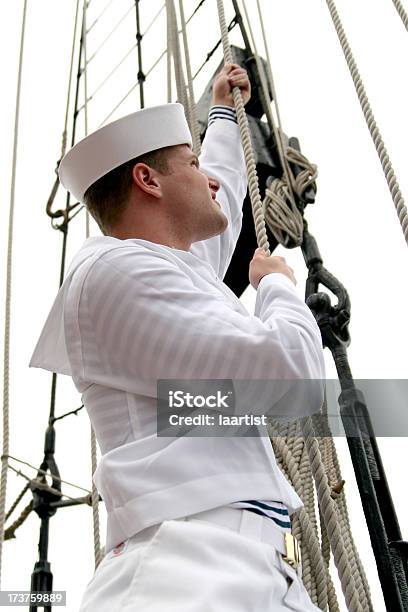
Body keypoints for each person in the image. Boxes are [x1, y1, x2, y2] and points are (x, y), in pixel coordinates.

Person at [30, 63, 325, 611]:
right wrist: (278, 289)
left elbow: (225, 187)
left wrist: (221, 112)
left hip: (241, 563)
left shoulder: (169, 270)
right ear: (147, 181)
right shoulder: (117, 274)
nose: (208, 178)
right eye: (191, 165)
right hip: (186, 569)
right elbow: (289, 377)